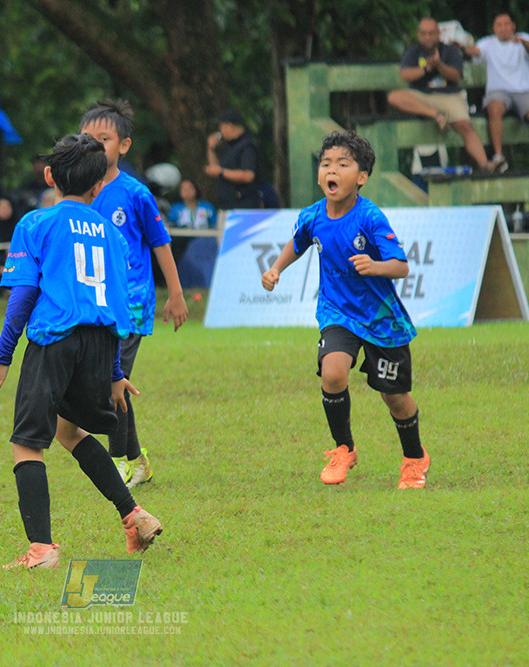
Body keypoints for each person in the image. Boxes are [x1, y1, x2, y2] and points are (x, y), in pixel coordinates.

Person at [0, 133, 163, 569]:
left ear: (49, 176)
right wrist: (114, 370)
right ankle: (134, 515)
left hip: (55, 339)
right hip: (98, 343)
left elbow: (23, 295)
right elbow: (116, 307)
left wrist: (3, 355)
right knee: (69, 432)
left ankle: (41, 549)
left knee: (26, 443)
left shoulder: (36, 223)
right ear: (99, 188)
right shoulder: (113, 236)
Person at [260, 130, 430, 490]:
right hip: (337, 312)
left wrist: (375, 265)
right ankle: (344, 449)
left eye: (342, 164)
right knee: (333, 372)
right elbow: (298, 242)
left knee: (394, 397)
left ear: (361, 177)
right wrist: (276, 268)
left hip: (382, 320)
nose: (331, 170)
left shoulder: (370, 217)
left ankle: (414, 458)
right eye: (325, 164)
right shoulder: (312, 216)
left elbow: (401, 266)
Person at [80, 98, 189, 489]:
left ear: (123, 146)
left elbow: (161, 244)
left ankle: (121, 461)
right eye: (87, 138)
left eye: (103, 138)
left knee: (112, 383)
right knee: (110, 384)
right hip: (94, 304)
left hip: (132, 305)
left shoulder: (135, 193)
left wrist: (175, 294)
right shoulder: (76, 191)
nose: (94, 145)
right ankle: (137, 459)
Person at [387, 18, 491, 172]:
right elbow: (405, 75)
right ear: (418, 35)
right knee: (394, 97)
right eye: (424, 33)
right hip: (421, 96)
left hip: (448, 96)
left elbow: (456, 76)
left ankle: (486, 164)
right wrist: (427, 69)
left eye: (431, 33)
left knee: (466, 125)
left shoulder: (449, 51)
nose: (428, 37)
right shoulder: (413, 52)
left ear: (438, 33)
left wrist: (439, 65)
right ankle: (436, 115)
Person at [463, 11, 529, 172]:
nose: (503, 28)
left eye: (506, 24)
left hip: (523, 90)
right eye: (499, 25)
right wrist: (463, 47)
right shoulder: (488, 43)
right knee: (494, 108)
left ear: (513, 26)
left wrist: (518, 40)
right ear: (494, 28)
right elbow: (475, 52)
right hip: (498, 92)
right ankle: (499, 157)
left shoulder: (523, 39)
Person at [204, 109, 262, 209]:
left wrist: (221, 171)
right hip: (227, 205)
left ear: (229, 126)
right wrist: (211, 149)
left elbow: (248, 175)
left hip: (242, 205)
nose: (220, 131)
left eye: (221, 127)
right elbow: (215, 168)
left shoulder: (247, 146)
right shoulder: (230, 147)